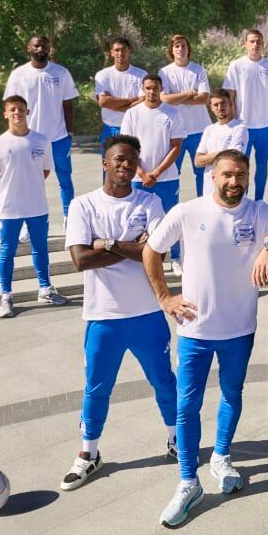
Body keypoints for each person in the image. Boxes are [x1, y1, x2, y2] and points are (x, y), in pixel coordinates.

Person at [144, 149, 268, 528]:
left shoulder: (257, 212)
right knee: (187, 407)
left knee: (232, 396)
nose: (234, 182)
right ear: (213, 177)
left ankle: (221, 457)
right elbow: (151, 251)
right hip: (195, 331)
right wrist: (164, 298)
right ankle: (188, 482)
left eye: (241, 175)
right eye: (227, 175)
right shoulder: (188, 212)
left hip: (239, 328)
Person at [60, 135, 177, 491]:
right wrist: (135, 247)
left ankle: (176, 440)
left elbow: (157, 254)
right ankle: (89, 454)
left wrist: (108, 243)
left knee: (164, 382)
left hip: (147, 314)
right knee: (97, 388)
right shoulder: (83, 206)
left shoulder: (150, 201)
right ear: (105, 163)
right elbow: (80, 259)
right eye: (119, 160)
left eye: (131, 161)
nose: (126, 166)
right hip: (103, 316)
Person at [0, 95, 68, 318]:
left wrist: (29, 187)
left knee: (40, 249)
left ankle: (45, 289)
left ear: (27, 112)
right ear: (5, 114)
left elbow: (45, 171)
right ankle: (6, 296)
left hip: (37, 206)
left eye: (21, 109)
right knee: (7, 252)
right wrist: (9, 192)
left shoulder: (41, 140)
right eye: (12, 109)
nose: (17, 113)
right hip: (10, 209)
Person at [4, 35, 79, 221]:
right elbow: (11, 107)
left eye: (44, 46)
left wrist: (69, 133)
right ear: (29, 48)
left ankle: (69, 219)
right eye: (37, 46)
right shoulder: (18, 75)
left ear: (49, 49)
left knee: (65, 181)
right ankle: (26, 221)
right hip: (30, 139)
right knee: (29, 182)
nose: (41, 49)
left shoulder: (61, 73)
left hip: (58, 138)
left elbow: (68, 104)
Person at [121, 75, 183, 270]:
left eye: (155, 88)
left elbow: (176, 147)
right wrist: (142, 173)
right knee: (137, 220)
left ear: (160, 89)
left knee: (170, 218)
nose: (151, 92)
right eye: (148, 88)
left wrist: (155, 173)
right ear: (143, 89)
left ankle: (175, 258)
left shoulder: (172, 113)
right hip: (138, 179)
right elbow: (127, 148)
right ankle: (138, 258)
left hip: (167, 178)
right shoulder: (132, 114)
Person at [222, 29, 268, 201]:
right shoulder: (236, 65)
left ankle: (259, 202)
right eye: (252, 41)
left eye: (258, 41)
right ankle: (241, 202)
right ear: (245, 44)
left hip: (265, 127)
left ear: (263, 44)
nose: (255, 45)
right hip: (243, 127)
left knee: (262, 167)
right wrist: (232, 122)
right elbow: (230, 96)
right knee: (240, 168)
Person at [158, 34, 212, 197]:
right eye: (177, 46)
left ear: (188, 49)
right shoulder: (164, 72)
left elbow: (203, 98)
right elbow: (165, 99)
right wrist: (189, 93)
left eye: (183, 46)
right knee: (173, 173)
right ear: (171, 50)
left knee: (203, 173)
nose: (180, 49)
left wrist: (177, 98)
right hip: (176, 133)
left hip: (200, 130)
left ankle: (204, 206)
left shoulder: (198, 70)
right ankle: (172, 208)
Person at [92, 37, 145, 156]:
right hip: (111, 129)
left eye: (124, 49)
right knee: (109, 169)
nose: (120, 53)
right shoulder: (103, 75)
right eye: (117, 50)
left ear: (129, 51)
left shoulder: (141, 74)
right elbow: (103, 102)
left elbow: (143, 102)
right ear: (111, 53)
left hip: (135, 129)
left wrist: (114, 104)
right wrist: (132, 100)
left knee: (135, 168)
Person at [194, 90, 249, 198]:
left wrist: (208, 158)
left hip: (231, 188)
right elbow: (198, 161)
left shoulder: (240, 128)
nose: (220, 107)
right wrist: (223, 153)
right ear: (211, 108)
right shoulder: (209, 129)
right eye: (216, 105)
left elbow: (233, 158)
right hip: (209, 189)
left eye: (223, 103)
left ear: (230, 104)